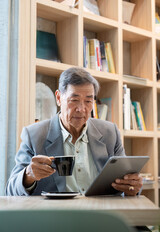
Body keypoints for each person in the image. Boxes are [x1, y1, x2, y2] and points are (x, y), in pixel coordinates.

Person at [5, 67, 142, 196]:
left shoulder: (110, 133)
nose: (81, 109)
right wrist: (28, 175)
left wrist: (132, 187)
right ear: (59, 98)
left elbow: (125, 184)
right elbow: (10, 191)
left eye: (88, 101)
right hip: (57, 217)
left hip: (101, 215)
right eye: (74, 100)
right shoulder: (34, 135)